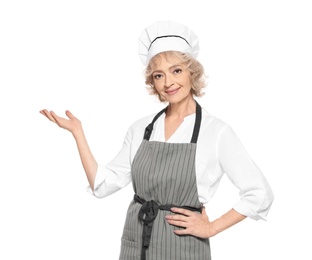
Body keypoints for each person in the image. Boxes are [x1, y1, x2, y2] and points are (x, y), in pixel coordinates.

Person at [40, 20, 274, 260]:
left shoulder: (216, 131)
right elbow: (102, 185)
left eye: (177, 71)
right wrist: (78, 133)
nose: (168, 82)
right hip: (136, 241)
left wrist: (211, 227)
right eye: (159, 75)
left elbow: (259, 193)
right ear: (153, 82)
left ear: (192, 73)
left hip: (184, 247)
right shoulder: (141, 128)